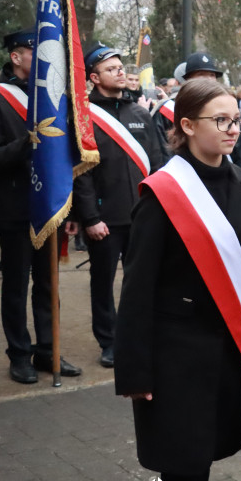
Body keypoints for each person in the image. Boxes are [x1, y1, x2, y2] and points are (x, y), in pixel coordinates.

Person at [114, 79, 241, 481]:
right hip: (175, 354)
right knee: (180, 460)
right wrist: (135, 371)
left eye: (237, 120)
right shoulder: (164, 193)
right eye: (220, 121)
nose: (233, 130)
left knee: (202, 453)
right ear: (186, 126)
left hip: (227, 350)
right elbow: (137, 288)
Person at [73, 44, 166, 368]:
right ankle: (109, 341)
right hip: (105, 218)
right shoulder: (85, 116)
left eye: (121, 66)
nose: (121, 71)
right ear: (95, 77)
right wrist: (90, 217)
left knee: (140, 280)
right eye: (111, 69)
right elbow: (82, 173)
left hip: (142, 213)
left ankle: (137, 335)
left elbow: (157, 162)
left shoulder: (140, 113)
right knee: (102, 282)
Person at [0, 29, 81, 383]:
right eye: (36, 53)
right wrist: (26, 143)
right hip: (15, 205)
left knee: (48, 284)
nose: (45, 59)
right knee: (16, 286)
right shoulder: (1, 98)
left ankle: (49, 350)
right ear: (16, 57)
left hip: (49, 203)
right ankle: (19, 354)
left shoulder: (51, 93)